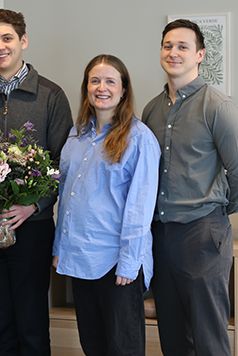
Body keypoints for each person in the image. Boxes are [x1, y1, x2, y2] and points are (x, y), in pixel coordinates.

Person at [0, 8, 73, 356]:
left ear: (23, 41)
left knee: (31, 325)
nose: (0, 46)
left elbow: (63, 164)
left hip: (33, 227)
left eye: (7, 38)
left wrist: (33, 205)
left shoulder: (51, 95)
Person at [142, 19, 238, 356]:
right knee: (172, 335)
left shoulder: (218, 107)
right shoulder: (151, 110)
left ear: (200, 55)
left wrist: (218, 211)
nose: (173, 53)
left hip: (202, 233)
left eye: (183, 47)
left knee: (208, 337)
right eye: (168, 46)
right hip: (160, 234)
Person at [52, 54, 160, 355]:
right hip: (80, 258)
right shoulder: (75, 136)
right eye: (95, 81)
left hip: (116, 264)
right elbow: (66, 197)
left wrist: (129, 263)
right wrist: (60, 248)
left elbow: (140, 209)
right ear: (86, 87)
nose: (102, 87)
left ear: (123, 90)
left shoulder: (140, 139)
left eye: (110, 81)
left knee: (123, 349)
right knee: (93, 346)